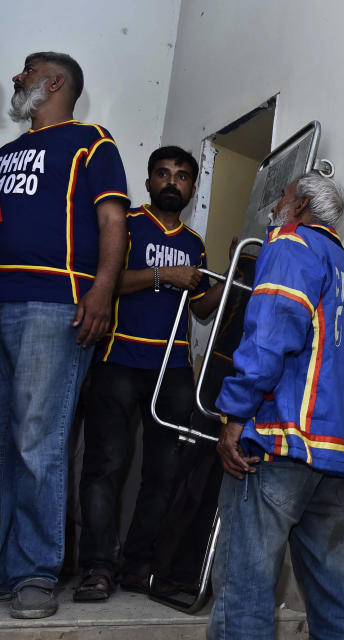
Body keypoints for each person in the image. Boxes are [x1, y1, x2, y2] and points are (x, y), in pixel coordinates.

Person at [210, 171, 344, 639]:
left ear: (299, 205)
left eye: (282, 196)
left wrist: (234, 414)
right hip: (337, 456)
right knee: (334, 593)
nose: (276, 206)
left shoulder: (290, 245)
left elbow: (270, 338)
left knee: (245, 586)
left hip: (283, 444)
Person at [0, 52, 129, 620]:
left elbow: (112, 222)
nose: (16, 77)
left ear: (54, 83)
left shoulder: (92, 142)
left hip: (55, 306)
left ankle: (33, 572)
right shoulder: (6, 153)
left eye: (27, 70)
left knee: (37, 441)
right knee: (5, 444)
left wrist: (100, 292)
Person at [74, 146, 229, 601]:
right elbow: (104, 282)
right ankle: (98, 567)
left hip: (175, 368)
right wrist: (163, 274)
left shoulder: (195, 243)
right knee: (104, 467)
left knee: (164, 475)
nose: (171, 182)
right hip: (119, 359)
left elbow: (198, 309)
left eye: (182, 176)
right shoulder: (127, 224)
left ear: (192, 188)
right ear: (148, 182)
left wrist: (225, 284)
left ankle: (139, 566)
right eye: (163, 174)